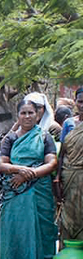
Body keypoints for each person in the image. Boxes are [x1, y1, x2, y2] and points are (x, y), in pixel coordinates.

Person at [0, 98, 58, 259]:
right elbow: (2, 163)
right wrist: (18, 170)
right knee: (13, 227)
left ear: (38, 115)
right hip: (15, 189)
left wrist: (30, 174)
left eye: (31, 113)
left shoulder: (44, 136)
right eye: (23, 113)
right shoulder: (10, 138)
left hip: (39, 189)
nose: (27, 116)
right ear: (17, 116)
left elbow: (52, 163)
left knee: (42, 229)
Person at [55, 88, 83, 244]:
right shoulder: (69, 123)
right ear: (76, 103)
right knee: (67, 216)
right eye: (80, 101)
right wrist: (57, 178)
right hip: (69, 175)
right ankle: (67, 256)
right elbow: (62, 152)